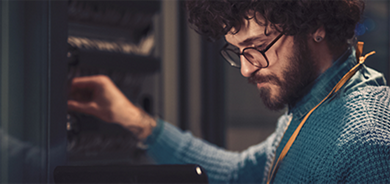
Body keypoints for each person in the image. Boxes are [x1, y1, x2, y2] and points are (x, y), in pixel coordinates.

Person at [68, 0, 390, 183]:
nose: (247, 68)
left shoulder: (366, 144)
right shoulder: (311, 107)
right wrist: (136, 121)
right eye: (238, 51)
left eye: (259, 47)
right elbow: (240, 174)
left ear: (317, 24)